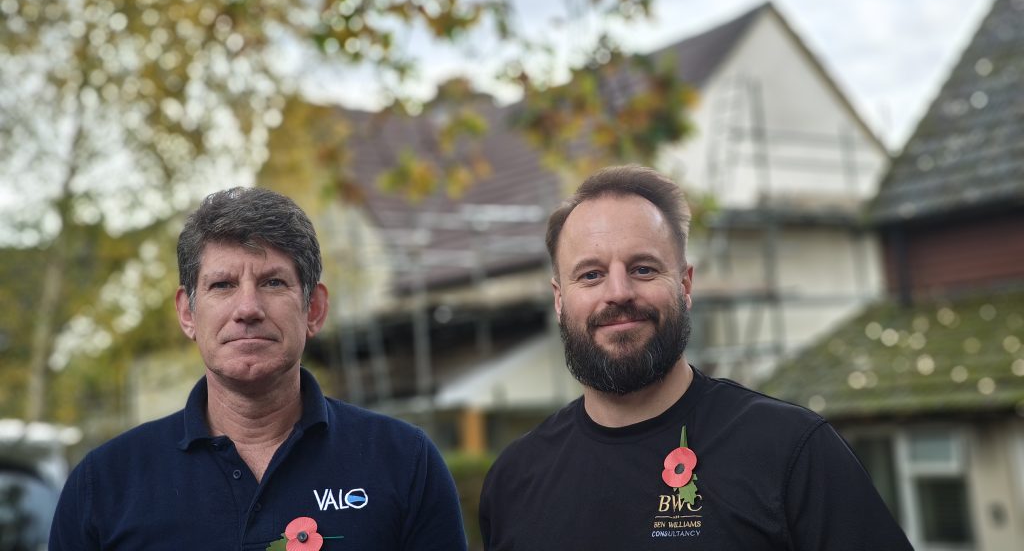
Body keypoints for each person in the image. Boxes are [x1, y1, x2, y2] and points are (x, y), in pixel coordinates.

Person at [479, 165, 912, 550]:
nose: (618, 293)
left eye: (643, 269)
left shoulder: (792, 451)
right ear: (559, 300)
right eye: (591, 275)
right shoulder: (513, 480)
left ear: (685, 285)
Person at [50, 187, 467, 551]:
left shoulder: (404, 463)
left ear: (314, 309)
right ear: (187, 313)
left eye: (273, 282)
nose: (248, 308)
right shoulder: (103, 485)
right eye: (222, 285)